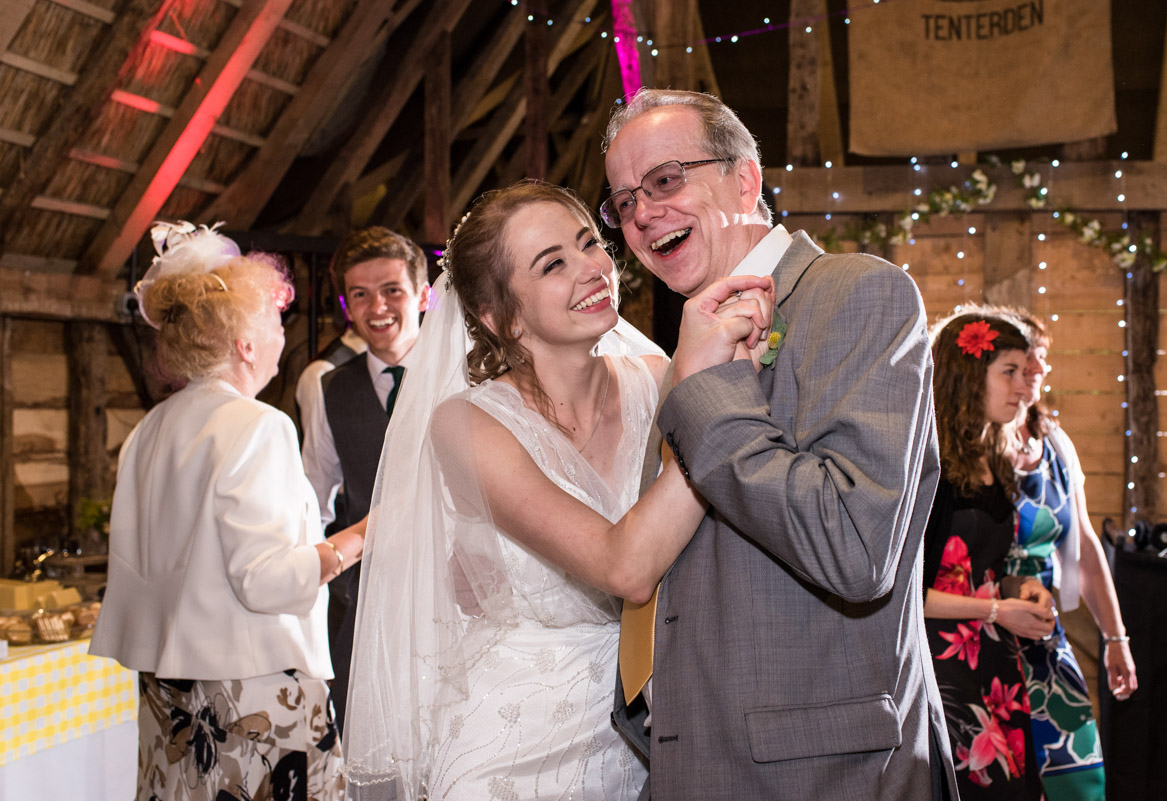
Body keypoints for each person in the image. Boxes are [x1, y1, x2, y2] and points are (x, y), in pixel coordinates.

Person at [340, 182, 771, 800]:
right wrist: (714, 405)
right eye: (553, 264)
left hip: (658, 731)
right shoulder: (464, 425)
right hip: (516, 747)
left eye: (589, 243)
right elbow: (623, 565)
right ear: (500, 317)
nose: (593, 268)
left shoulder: (657, 380)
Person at [602, 88, 956, 800]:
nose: (642, 214)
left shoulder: (858, 292)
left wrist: (708, 392)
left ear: (746, 179)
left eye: (665, 181)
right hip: (695, 757)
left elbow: (855, 548)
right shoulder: (688, 343)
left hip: (827, 773)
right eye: (623, 202)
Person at [89, 222, 363, 801]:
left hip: (171, 696)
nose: (280, 340)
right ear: (244, 343)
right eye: (274, 324)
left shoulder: (148, 430)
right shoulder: (259, 426)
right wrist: (360, 537)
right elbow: (264, 580)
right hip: (250, 698)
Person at [298, 226, 429, 731]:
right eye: (360, 294)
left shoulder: (468, 376)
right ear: (346, 305)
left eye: (392, 290)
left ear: (422, 294)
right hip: (364, 606)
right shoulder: (326, 388)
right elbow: (315, 497)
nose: (378, 307)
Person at [1003, 308, 1137, 800]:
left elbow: (1081, 544)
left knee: (1076, 782)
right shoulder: (969, 447)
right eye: (1026, 359)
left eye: (1042, 358)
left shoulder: (1054, 442)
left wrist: (1115, 637)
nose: (1039, 370)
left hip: (1043, 640)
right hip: (981, 637)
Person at [923, 311, 1055, 798]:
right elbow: (905, 594)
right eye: (1010, 372)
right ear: (966, 373)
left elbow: (981, 569)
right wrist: (999, 610)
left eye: (1026, 373)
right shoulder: (927, 464)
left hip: (996, 660)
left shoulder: (994, 458)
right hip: (941, 666)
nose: (1024, 387)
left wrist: (1021, 589)